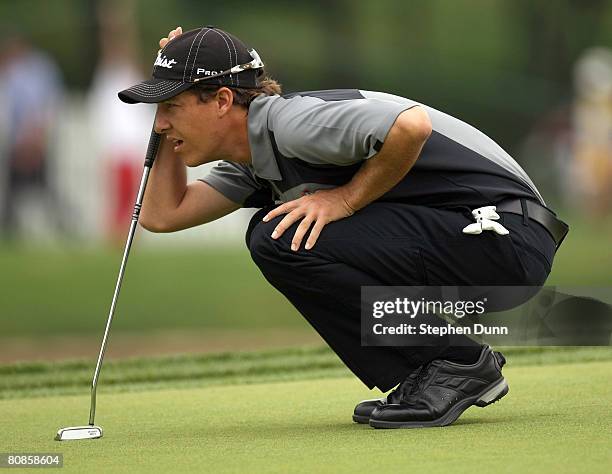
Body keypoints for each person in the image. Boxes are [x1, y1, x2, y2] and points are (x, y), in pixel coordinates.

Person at [118, 26, 569, 429]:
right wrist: (162, 113)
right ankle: (441, 369)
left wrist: (346, 199)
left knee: (278, 236)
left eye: (172, 107)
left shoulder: (292, 123)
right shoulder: (258, 158)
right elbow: (165, 214)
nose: (160, 122)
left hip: (507, 237)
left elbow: (412, 126)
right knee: (277, 235)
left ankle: (454, 363)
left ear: (220, 101)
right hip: (485, 241)